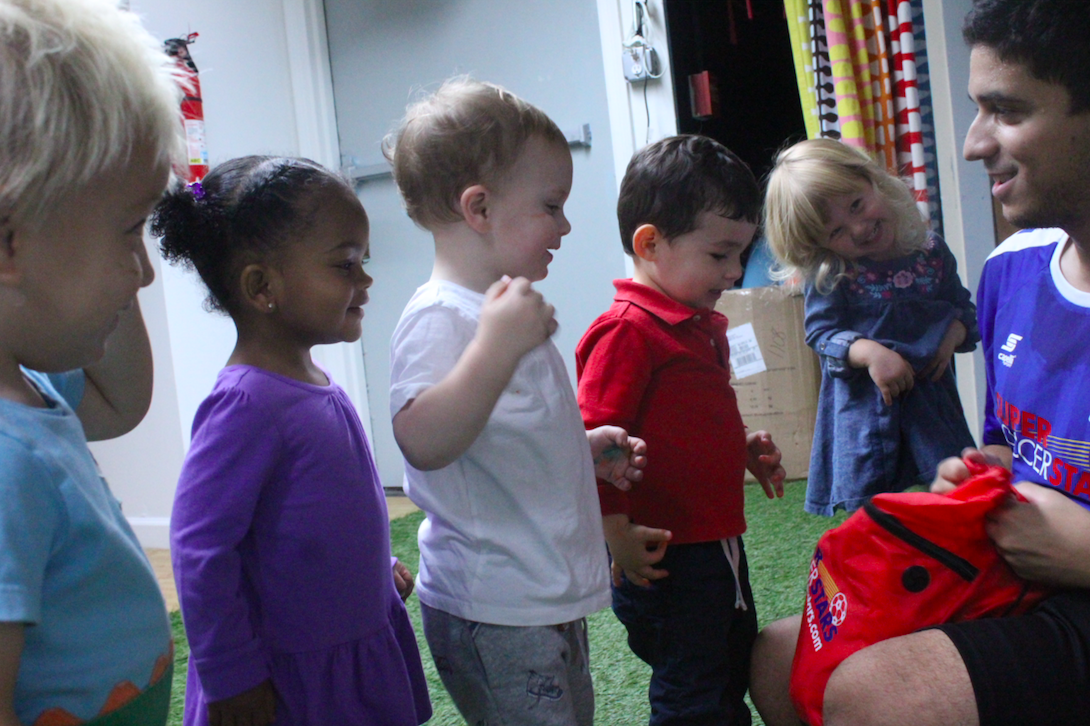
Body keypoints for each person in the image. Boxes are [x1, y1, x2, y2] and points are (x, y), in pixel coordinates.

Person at [749, 1, 1090, 724]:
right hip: (1012, 570)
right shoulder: (1011, 270)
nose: (971, 144)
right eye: (976, 109)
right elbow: (1009, 447)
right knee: (780, 660)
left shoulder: (934, 258)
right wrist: (973, 476)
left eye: (1005, 110)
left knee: (875, 695)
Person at [384, 78, 647, 726]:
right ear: (478, 208)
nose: (565, 224)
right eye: (551, 205)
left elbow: (495, 432)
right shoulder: (440, 316)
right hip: (493, 606)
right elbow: (422, 438)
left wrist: (576, 451)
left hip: (536, 594)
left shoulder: (498, 307)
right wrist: (496, 348)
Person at [156, 156, 431, 726]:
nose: (365, 280)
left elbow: (308, 518)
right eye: (345, 265)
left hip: (347, 650)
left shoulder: (314, 383)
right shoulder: (245, 404)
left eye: (364, 261)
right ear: (262, 287)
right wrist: (233, 676)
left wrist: (373, 568)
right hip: (292, 684)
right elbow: (200, 548)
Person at [0, 0, 183, 723]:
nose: (145, 272)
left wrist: (107, 265)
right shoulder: (5, 460)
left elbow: (120, 401)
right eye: (130, 232)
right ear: (8, 244)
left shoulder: (31, 389)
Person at [576, 135, 786, 726]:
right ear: (650, 244)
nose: (736, 270)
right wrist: (614, 531)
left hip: (714, 536)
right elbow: (597, 439)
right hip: (666, 550)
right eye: (719, 254)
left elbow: (691, 415)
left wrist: (737, 448)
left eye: (742, 253)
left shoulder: (696, 324)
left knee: (727, 657)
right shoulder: (627, 331)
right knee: (691, 684)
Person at [764, 138, 979, 515]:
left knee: (950, 493)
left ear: (872, 180)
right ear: (818, 245)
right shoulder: (833, 274)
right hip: (868, 413)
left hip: (931, 402)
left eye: (857, 205)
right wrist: (872, 353)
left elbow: (963, 308)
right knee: (877, 510)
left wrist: (952, 336)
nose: (859, 229)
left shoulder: (930, 252)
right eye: (836, 232)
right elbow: (821, 334)